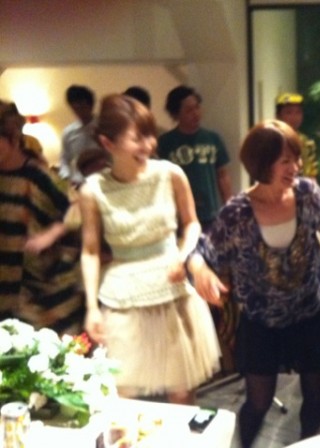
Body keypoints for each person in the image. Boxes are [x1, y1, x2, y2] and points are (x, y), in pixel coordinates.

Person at [187, 119, 320, 447]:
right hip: (262, 321)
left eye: (296, 158)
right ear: (262, 163)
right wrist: (200, 270)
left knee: (315, 398)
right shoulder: (238, 212)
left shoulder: (306, 194)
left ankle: (305, 443)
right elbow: (203, 251)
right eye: (286, 160)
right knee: (257, 402)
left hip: (308, 313)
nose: (296, 167)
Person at [79, 94, 220, 405]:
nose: (148, 145)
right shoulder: (92, 190)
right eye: (137, 138)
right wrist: (91, 307)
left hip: (171, 289)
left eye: (150, 135)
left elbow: (192, 224)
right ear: (107, 143)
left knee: (181, 393)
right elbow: (90, 251)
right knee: (122, 392)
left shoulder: (170, 174)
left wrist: (182, 257)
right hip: (122, 294)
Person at [0, 100, 83, 334]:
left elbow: (78, 209)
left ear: (13, 138)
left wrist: (52, 233)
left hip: (38, 290)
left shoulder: (40, 177)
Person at [157, 85, 232, 233]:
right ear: (176, 114)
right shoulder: (165, 143)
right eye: (189, 110)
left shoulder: (212, 139)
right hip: (179, 216)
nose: (195, 113)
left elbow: (222, 175)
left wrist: (229, 206)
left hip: (211, 214)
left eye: (197, 107)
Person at [59, 85, 101, 185]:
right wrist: (66, 176)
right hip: (79, 182)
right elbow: (64, 159)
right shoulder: (68, 132)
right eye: (75, 108)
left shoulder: (104, 127)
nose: (78, 111)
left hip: (102, 180)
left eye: (82, 107)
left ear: (90, 105)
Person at [275, 92, 318, 179]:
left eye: (298, 112)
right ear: (278, 115)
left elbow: (312, 173)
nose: (294, 117)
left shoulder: (307, 143)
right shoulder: (272, 141)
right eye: (289, 112)